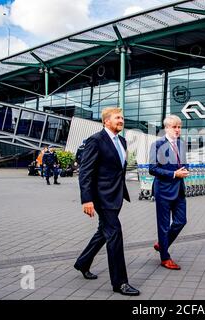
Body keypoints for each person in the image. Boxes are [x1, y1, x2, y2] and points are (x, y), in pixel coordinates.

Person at [74, 107, 140, 296]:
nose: (121, 120)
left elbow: (118, 169)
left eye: (122, 117)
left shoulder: (122, 141)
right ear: (106, 121)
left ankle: (82, 262)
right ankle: (120, 283)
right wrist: (86, 199)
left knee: (103, 232)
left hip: (116, 195)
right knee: (115, 234)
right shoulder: (96, 140)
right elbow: (85, 172)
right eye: (117, 117)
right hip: (102, 197)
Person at [149, 114, 188, 270]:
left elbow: (183, 163)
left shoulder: (182, 144)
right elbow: (152, 169)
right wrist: (173, 174)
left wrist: (185, 170)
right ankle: (165, 257)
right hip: (164, 190)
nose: (178, 130)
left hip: (179, 189)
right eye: (174, 127)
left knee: (181, 221)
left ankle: (162, 244)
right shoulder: (157, 145)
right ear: (166, 128)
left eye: (179, 127)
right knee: (164, 226)